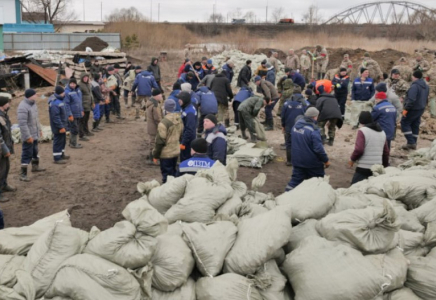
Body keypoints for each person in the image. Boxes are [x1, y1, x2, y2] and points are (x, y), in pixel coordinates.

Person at [285, 107, 329, 191]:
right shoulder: (313, 130)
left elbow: (290, 142)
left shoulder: (295, 127)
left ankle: (285, 196)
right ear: (315, 117)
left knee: (294, 181)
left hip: (297, 161)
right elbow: (319, 149)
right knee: (318, 182)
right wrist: (326, 160)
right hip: (312, 164)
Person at [349, 111, 390, 184]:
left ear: (361, 121)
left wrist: (352, 159)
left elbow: (359, 150)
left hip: (364, 168)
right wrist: (385, 165)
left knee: (354, 189)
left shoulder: (362, 131)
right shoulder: (382, 132)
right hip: (377, 168)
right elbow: (386, 152)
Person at [17, 89, 46, 182]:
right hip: (28, 135)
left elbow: (36, 120)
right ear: (30, 96)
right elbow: (23, 124)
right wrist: (28, 136)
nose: (36, 96)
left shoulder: (33, 104)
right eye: (35, 94)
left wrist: (39, 130)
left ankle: (35, 166)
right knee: (26, 153)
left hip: (34, 133)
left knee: (35, 151)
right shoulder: (23, 107)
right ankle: (23, 174)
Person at [153, 99, 183, 183]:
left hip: (166, 154)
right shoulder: (179, 119)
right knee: (173, 173)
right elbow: (181, 134)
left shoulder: (163, 123)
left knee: (166, 176)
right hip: (176, 151)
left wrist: (155, 155)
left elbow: (160, 141)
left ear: (165, 109)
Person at [401, 70, 429, 150]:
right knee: (415, 124)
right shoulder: (426, 86)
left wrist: (406, 109)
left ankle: (411, 142)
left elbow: (411, 99)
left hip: (413, 109)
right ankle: (414, 142)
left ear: (414, 77)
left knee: (404, 122)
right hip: (421, 108)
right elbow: (427, 98)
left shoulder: (414, 86)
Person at [281, 85, 308, 166]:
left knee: (289, 143)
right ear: (301, 92)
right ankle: (299, 161)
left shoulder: (286, 103)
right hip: (301, 127)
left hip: (289, 126)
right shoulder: (305, 103)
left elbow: (283, 116)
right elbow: (308, 116)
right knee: (300, 143)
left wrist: (283, 125)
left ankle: (289, 161)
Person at [316, 81, 343, 146]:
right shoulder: (334, 98)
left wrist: (317, 118)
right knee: (332, 126)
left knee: (320, 125)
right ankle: (331, 140)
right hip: (336, 114)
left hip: (325, 114)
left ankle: (323, 138)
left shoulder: (321, 98)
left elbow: (317, 109)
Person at [48, 86, 69, 165]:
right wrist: (60, 127)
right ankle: (57, 158)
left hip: (62, 125)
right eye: (63, 92)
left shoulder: (60, 100)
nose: (64, 94)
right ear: (60, 93)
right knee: (58, 141)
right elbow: (55, 117)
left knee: (63, 140)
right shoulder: (55, 103)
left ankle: (61, 154)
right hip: (58, 126)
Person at [0, 95, 15, 195]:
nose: (9, 104)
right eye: (7, 103)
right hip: (1, 148)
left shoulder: (4, 115)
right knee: (1, 170)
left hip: (6, 146)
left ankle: (4, 184)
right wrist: (5, 150)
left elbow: (7, 132)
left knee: (6, 167)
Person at [177, 91, 197, 161]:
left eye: (180, 99)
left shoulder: (190, 112)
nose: (178, 101)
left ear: (184, 100)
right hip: (186, 139)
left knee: (186, 158)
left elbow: (189, 129)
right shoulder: (186, 107)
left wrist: (183, 142)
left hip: (188, 141)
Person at [64, 78, 84, 149]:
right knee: (74, 128)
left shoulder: (78, 90)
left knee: (75, 128)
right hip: (72, 114)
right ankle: (73, 143)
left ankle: (72, 142)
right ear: (69, 84)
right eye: (71, 83)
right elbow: (66, 104)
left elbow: (80, 101)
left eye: (74, 83)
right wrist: (69, 114)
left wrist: (82, 110)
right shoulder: (67, 92)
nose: (72, 85)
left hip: (78, 112)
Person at [146, 89, 163, 164]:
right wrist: (162, 126)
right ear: (157, 95)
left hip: (150, 126)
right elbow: (157, 118)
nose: (161, 96)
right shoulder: (155, 105)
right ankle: (153, 159)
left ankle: (151, 157)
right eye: (160, 95)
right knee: (153, 142)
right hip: (154, 127)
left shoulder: (150, 102)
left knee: (152, 141)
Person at [78, 73, 95, 141]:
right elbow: (79, 97)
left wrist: (92, 102)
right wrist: (81, 106)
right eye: (84, 77)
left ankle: (86, 131)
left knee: (86, 120)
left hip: (88, 105)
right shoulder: (79, 85)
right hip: (83, 105)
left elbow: (90, 94)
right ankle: (81, 134)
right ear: (82, 78)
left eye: (86, 77)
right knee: (81, 121)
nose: (86, 79)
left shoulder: (88, 84)